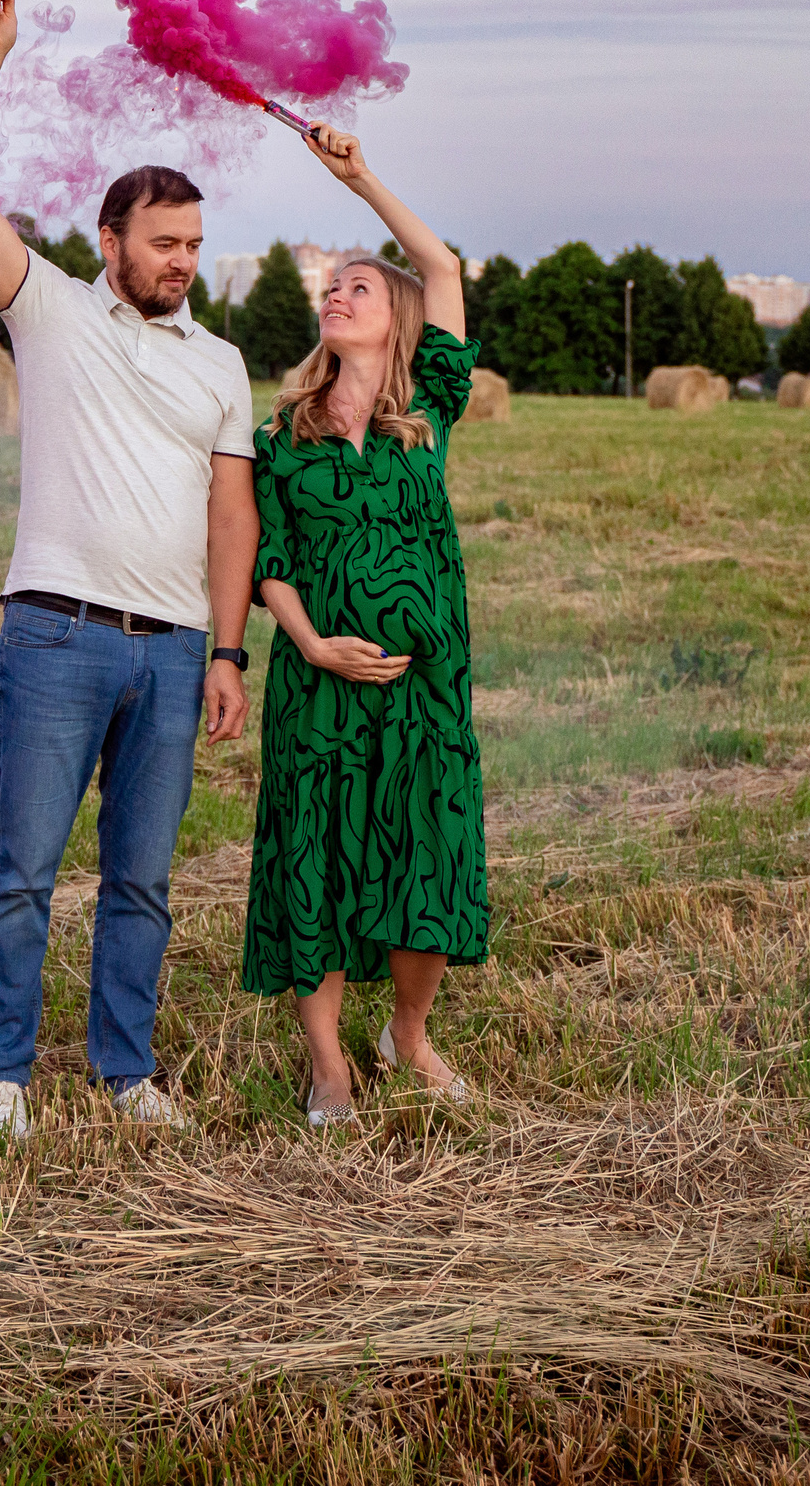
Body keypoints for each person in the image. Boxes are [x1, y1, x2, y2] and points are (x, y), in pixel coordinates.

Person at [0, 0, 259, 1141]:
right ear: (110, 238)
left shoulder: (220, 364)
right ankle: (2, 1075)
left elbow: (233, 518)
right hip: (57, 633)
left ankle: (126, 1070)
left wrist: (226, 651)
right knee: (22, 868)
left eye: (196, 245)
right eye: (163, 242)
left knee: (143, 883)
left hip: (172, 653)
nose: (182, 261)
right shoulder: (52, 311)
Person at [240, 129, 484, 1124]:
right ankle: (329, 1063)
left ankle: (407, 1036)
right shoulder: (280, 436)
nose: (337, 295)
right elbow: (272, 562)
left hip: (424, 687)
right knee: (317, 860)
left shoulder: (430, 404)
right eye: (330, 287)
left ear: (398, 323)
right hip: (317, 684)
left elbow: (441, 264)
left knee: (426, 853)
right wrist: (305, 642)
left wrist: (357, 178)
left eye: (359, 289)